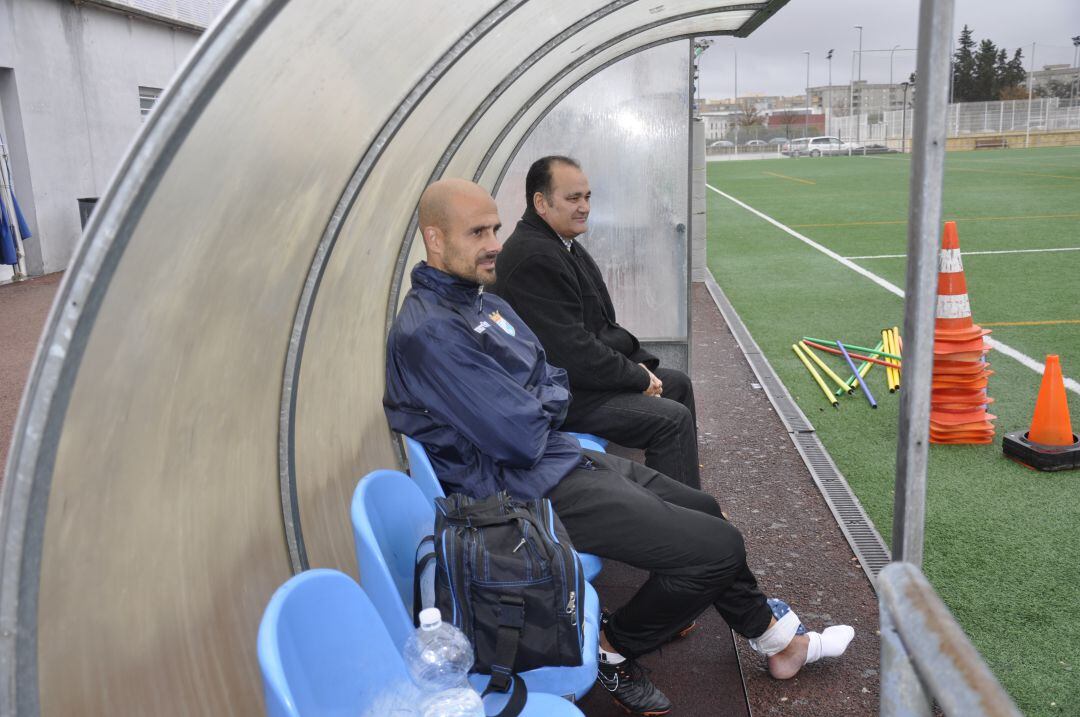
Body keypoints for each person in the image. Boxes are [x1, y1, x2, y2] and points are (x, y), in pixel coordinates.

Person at [383, 178, 853, 716]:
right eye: (477, 232)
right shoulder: (431, 332)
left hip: (552, 460)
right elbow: (518, 435)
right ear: (435, 239)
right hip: (519, 498)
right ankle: (614, 647)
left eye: (494, 227)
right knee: (718, 548)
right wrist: (540, 400)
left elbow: (550, 374)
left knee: (704, 509)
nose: (494, 242)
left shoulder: (483, 305)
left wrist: (537, 399)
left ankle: (778, 643)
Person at [492, 156, 700, 489]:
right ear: (541, 203)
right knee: (670, 420)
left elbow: (601, 328)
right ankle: (676, 519)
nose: (584, 206)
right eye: (573, 198)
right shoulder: (534, 257)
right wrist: (636, 376)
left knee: (676, 384)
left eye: (587, 197)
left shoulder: (561, 245)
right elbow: (571, 352)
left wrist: (641, 367)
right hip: (557, 396)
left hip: (576, 382)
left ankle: (685, 498)